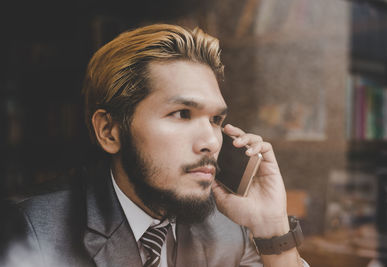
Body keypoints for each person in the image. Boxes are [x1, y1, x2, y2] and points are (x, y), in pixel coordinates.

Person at [0, 24, 309, 267]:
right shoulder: (31, 230)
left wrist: (272, 228)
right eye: (182, 114)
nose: (211, 143)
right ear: (109, 131)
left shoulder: (228, 230)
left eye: (216, 119)